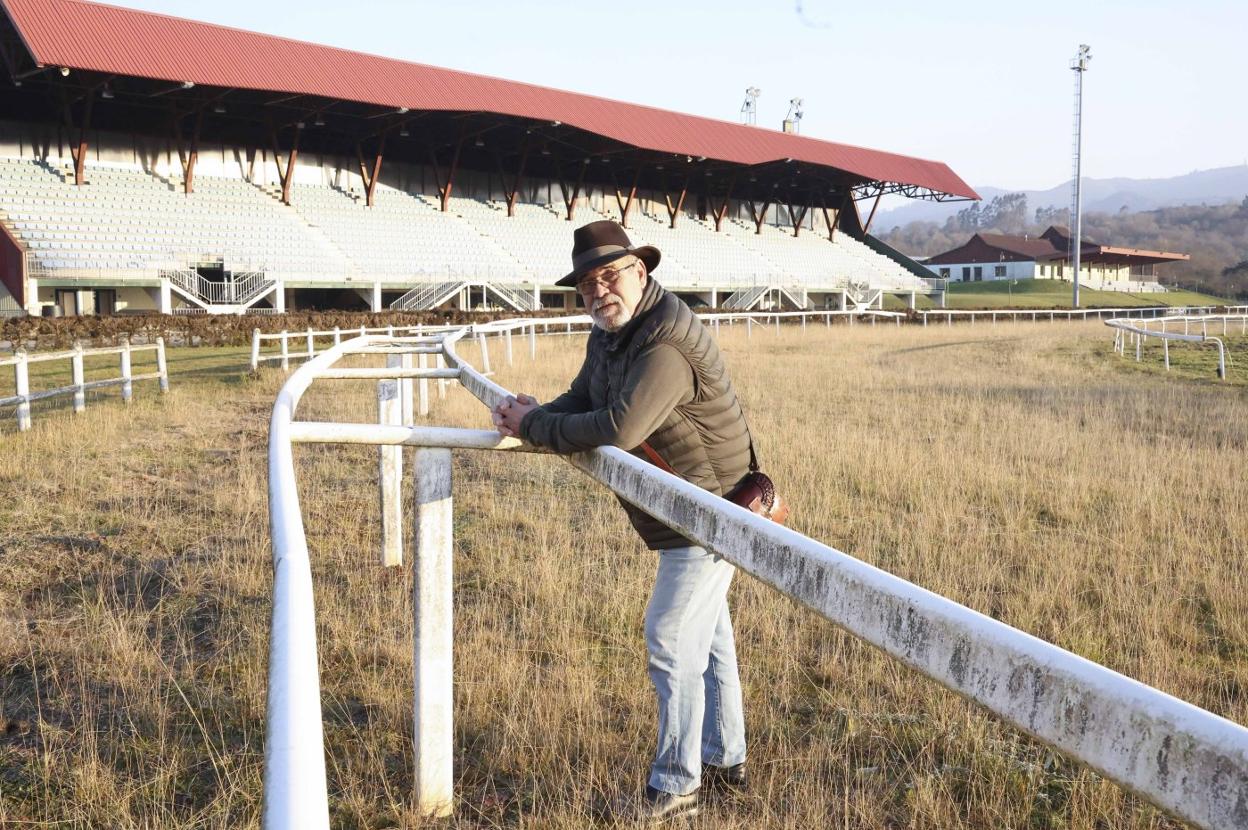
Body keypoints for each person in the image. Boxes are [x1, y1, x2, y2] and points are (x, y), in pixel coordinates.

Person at [492, 219, 755, 823]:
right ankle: (724, 760)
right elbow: (582, 399)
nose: (599, 291)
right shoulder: (612, 334)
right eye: (587, 284)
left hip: (709, 509)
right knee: (708, 639)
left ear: (640, 271)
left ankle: (677, 785)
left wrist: (535, 427)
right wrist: (533, 414)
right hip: (686, 504)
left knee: (671, 637)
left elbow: (619, 427)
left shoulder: (664, 343)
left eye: (610, 275)